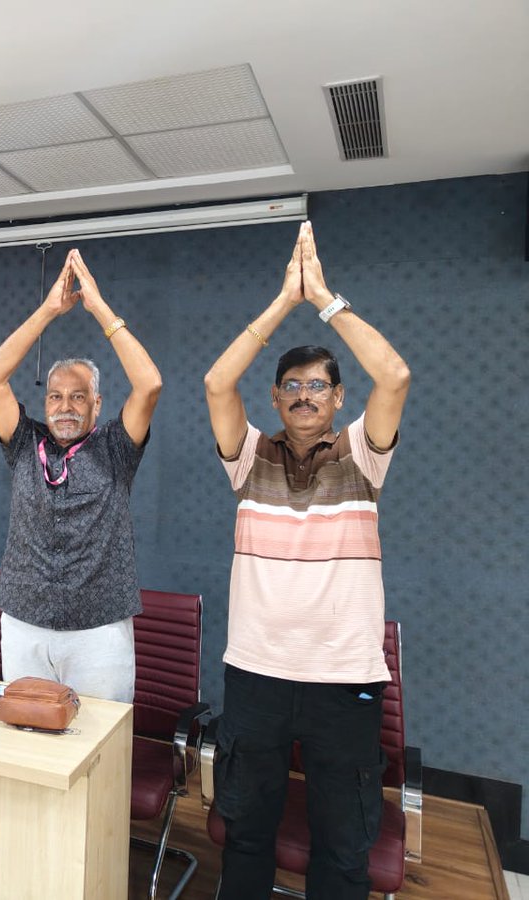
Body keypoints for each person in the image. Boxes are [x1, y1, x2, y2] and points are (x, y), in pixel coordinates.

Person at [203, 221, 411, 899]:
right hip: (256, 675)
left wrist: (321, 297)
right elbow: (215, 381)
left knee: (343, 848)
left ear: (339, 398)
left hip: (343, 680)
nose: (303, 396)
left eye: (318, 386)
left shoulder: (362, 456)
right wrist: (279, 303)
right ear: (274, 397)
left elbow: (396, 373)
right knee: (247, 835)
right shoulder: (249, 459)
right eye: (290, 386)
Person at [0, 248, 161, 703]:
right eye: (56, 397)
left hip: (99, 630)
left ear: (96, 405)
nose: (65, 406)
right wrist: (48, 310)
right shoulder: (24, 443)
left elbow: (149, 384)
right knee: (26, 739)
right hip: (24, 624)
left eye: (78, 397)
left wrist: (98, 307)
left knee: (100, 745)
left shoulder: (117, 447)